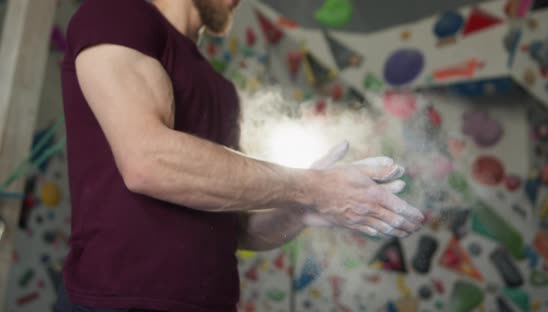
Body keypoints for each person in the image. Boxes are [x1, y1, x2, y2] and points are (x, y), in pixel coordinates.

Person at [56, 0, 424, 311]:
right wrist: (312, 187)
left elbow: (237, 230)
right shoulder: (117, 15)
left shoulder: (218, 86)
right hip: (121, 300)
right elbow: (149, 163)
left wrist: (301, 209)